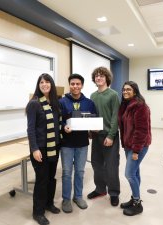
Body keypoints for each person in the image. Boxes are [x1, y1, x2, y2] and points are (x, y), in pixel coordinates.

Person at [26, 73, 62, 225]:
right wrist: (34, 149)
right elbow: (30, 129)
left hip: (54, 147)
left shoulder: (54, 102)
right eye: (42, 82)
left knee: (51, 178)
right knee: (41, 180)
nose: (45, 84)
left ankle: (49, 203)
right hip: (40, 149)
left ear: (51, 85)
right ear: (38, 85)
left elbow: (57, 124)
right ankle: (38, 212)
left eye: (47, 82)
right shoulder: (34, 103)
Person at [59, 74, 96, 213]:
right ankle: (66, 199)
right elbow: (58, 120)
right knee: (67, 172)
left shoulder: (89, 102)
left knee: (80, 172)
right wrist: (63, 127)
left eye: (78, 84)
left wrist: (95, 127)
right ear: (69, 85)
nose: (75, 86)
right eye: (73, 84)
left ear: (82, 85)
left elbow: (94, 119)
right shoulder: (62, 101)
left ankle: (78, 196)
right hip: (67, 144)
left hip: (82, 143)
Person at [87, 66, 121, 207]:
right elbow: (91, 116)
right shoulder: (93, 96)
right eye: (96, 76)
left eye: (101, 75)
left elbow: (115, 117)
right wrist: (89, 130)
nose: (98, 78)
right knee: (96, 164)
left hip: (109, 136)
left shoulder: (113, 95)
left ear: (107, 78)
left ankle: (114, 192)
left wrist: (111, 135)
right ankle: (100, 189)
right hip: (96, 136)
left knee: (111, 166)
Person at [118, 81, 151, 216]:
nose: (125, 92)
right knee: (135, 173)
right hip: (128, 144)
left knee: (129, 174)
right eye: (124, 89)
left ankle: (137, 203)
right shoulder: (126, 105)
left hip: (138, 145)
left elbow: (142, 130)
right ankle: (134, 198)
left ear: (135, 91)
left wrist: (136, 150)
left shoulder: (140, 106)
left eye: (129, 90)